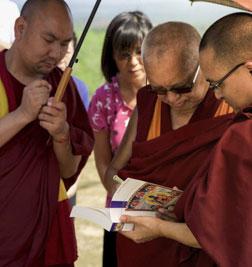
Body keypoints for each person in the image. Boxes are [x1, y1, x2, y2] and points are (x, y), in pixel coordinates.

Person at [120, 13, 252, 267]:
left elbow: (218, 231)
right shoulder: (147, 104)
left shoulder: (242, 132)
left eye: (217, 84)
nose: (219, 94)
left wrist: (158, 226)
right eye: (158, 90)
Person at [0, 0, 94, 266]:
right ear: (20, 28)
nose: (56, 53)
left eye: (64, 43)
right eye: (49, 39)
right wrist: (22, 115)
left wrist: (62, 135)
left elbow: (68, 171)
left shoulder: (65, 88)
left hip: (47, 225)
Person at [88, 11, 152, 267]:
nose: (133, 61)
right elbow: (104, 165)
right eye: (124, 54)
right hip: (119, 211)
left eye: (139, 51)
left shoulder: (166, 92)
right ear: (111, 57)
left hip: (163, 211)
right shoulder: (103, 98)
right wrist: (122, 199)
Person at [58, 31, 89, 206]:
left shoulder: (79, 88)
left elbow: (82, 141)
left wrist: (74, 183)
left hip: (68, 182)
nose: (61, 57)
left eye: (68, 52)